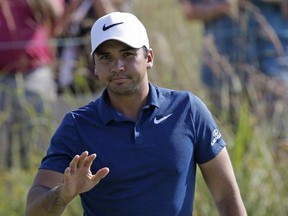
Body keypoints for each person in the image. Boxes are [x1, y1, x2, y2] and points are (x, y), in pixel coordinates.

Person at [25, 12, 247, 216]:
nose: (117, 66)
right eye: (105, 57)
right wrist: (64, 194)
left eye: (127, 54)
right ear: (94, 65)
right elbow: (33, 211)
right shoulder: (77, 125)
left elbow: (226, 195)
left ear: (149, 58)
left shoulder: (188, 109)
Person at [179, 0, 288, 144]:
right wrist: (222, 7)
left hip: (272, 57)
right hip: (222, 62)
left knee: (280, 134)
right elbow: (189, 10)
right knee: (227, 136)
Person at [0, 0, 64, 169]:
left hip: (34, 73)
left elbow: (56, 11)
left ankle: (36, 183)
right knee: (3, 143)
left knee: (37, 136)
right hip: (2, 77)